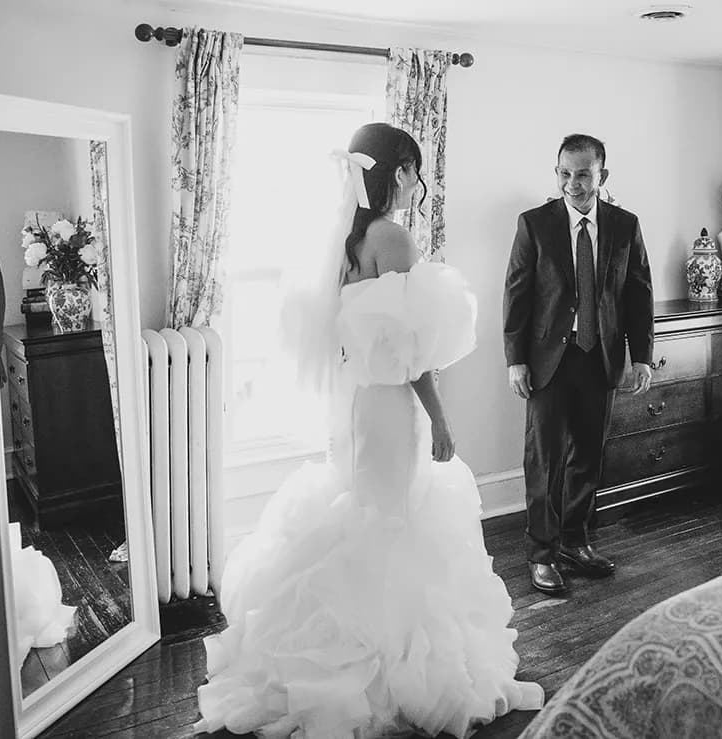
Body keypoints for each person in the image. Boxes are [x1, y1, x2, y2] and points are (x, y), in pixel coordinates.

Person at [196, 122, 543, 739]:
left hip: (353, 400)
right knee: (391, 518)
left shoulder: (348, 241)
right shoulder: (394, 239)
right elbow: (413, 355)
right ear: (397, 172)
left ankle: (335, 643)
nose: (418, 181)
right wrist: (439, 418)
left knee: (361, 507)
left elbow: (354, 336)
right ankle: (383, 663)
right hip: (387, 405)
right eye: (413, 169)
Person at [503, 134, 655, 596]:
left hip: (600, 357)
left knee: (587, 456)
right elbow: (516, 294)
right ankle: (542, 553)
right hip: (548, 360)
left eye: (583, 174)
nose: (573, 183)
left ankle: (574, 542)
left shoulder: (625, 225)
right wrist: (515, 361)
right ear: (557, 174)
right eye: (565, 173)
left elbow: (638, 292)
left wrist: (642, 355)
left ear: (601, 176)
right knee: (544, 459)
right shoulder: (534, 224)